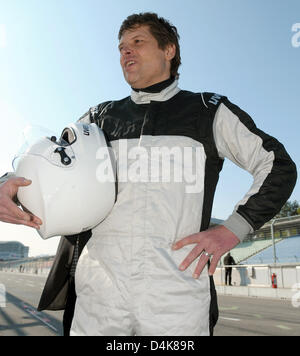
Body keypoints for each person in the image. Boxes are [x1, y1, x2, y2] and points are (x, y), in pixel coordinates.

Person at [0, 12, 297, 336]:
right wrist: (6, 185)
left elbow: (278, 165)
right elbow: (46, 165)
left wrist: (231, 230)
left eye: (137, 42)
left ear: (169, 49)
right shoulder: (97, 118)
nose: (125, 51)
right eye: (121, 46)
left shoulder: (209, 110)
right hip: (98, 301)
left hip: (178, 303)